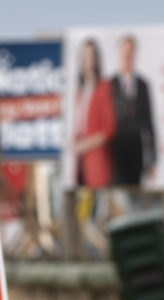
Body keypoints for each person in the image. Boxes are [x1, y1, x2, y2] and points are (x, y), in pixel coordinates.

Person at [109, 35, 156, 185]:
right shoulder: (109, 85)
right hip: (115, 152)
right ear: (119, 54)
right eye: (124, 52)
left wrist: (152, 160)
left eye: (130, 52)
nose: (127, 56)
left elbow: (149, 124)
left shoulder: (143, 85)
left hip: (136, 153)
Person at [73, 38, 116, 188]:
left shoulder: (104, 88)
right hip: (77, 164)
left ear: (97, 60)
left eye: (91, 56)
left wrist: (84, 145)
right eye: (84, 57)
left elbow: (109, 129)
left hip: (97, 162)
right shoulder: (78, 91)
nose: (88, 61)